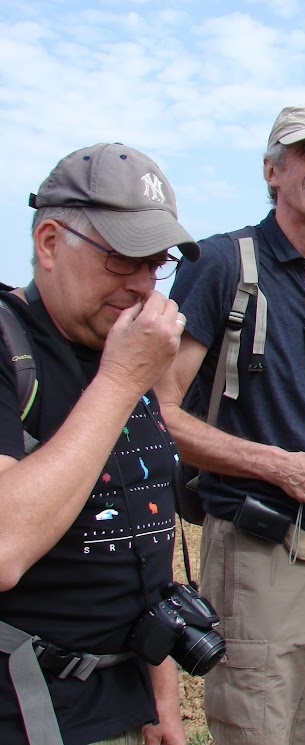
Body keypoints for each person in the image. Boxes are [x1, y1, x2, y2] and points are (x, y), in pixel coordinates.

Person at [155, 103, 305, 745]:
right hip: (260, 552)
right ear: (271, 170)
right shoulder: (223, 265)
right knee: (255, 731)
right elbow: (157, 412)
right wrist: (279, 465)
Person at [0, 143, 199, 744]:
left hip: (123, 705)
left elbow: (149, 531)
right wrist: (121, 379)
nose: (143, 286)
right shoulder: (13, 350)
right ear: (49, 243)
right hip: (29, 712)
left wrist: (163, 697)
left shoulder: (124, 348)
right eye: (121, 258)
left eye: (155, 262)